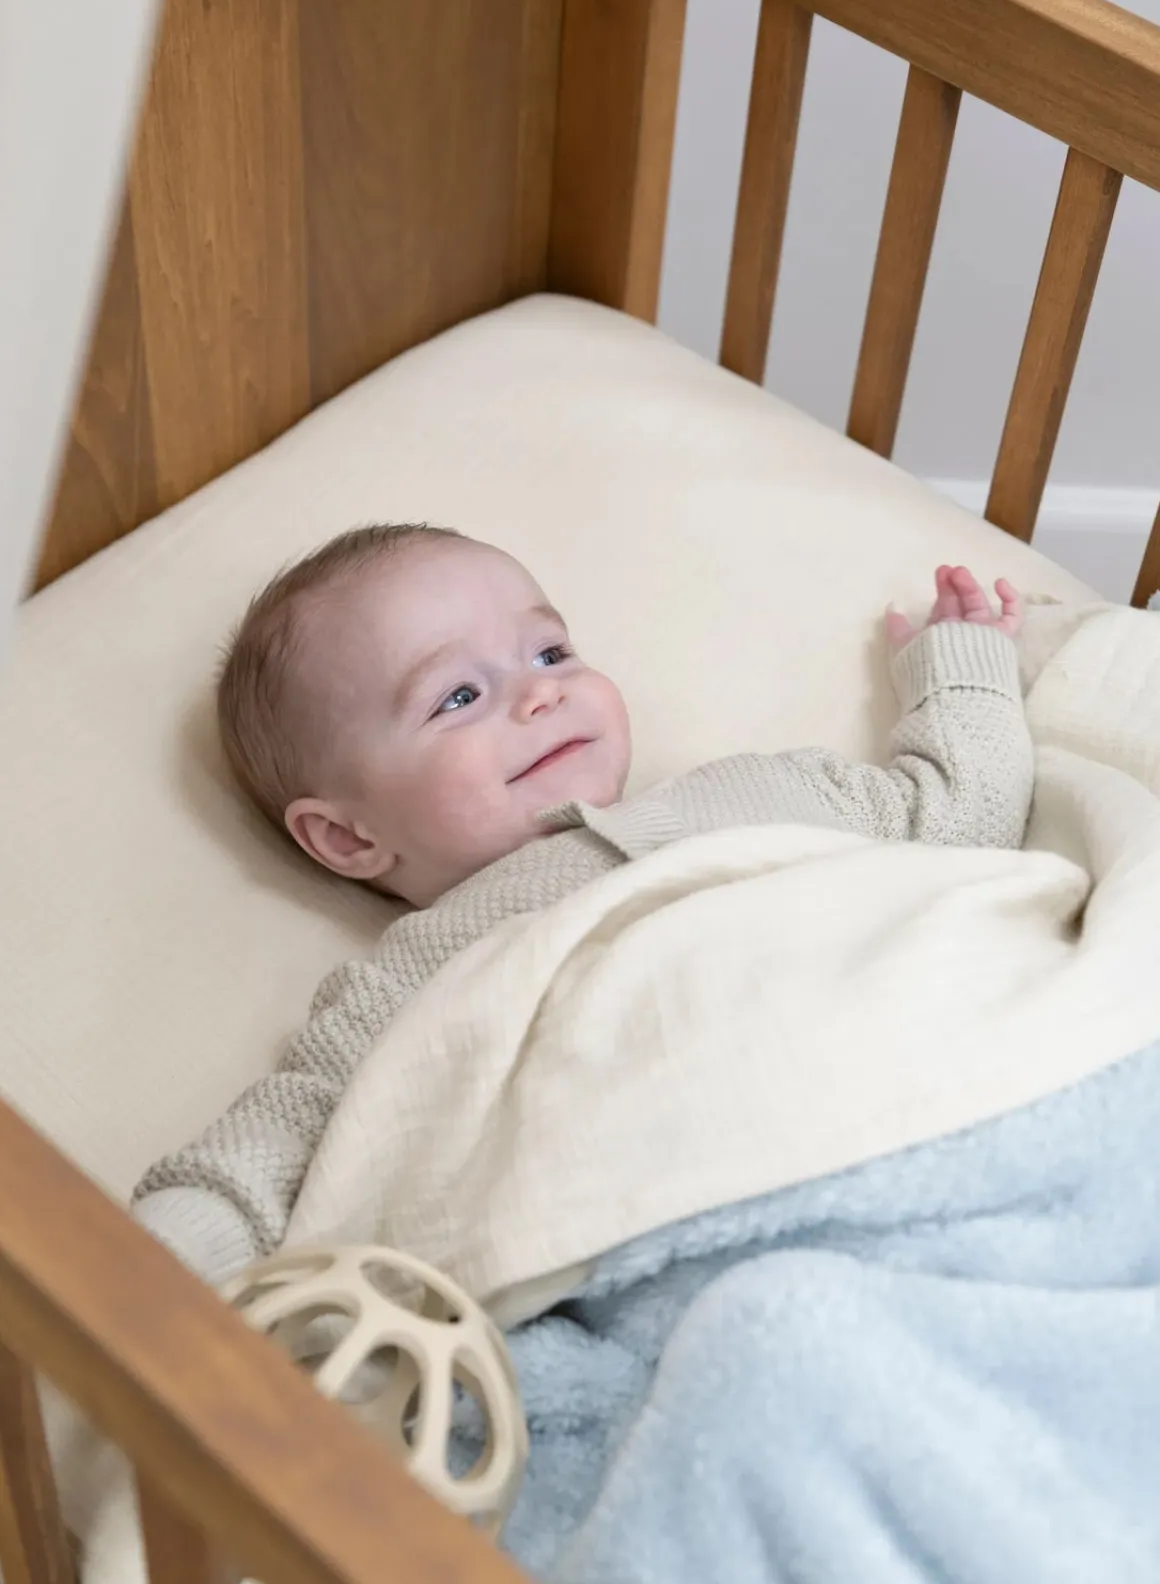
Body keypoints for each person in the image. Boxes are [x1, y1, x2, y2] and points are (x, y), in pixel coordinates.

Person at [132, 522, 1028, 1284]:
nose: (540, 692)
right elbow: (301, 1122)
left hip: (940, 1096)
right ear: (348, 838)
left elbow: (961, 816)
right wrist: (150, 1259)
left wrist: (962, 666)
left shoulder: (761, 790)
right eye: (458, 697)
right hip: (699, 1223)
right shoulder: (430, 959)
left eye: (550, 652)